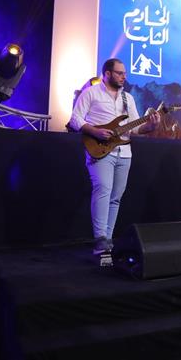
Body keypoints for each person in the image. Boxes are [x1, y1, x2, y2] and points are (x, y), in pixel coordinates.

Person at [69, 58, 160, 265]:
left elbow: (136, 128)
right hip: (100, 150)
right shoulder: (91, 93)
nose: (124, 77)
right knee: (103, 189)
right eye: (120, 73)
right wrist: (95, 131)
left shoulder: (128, 98)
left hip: (124, 152)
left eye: (125, 73)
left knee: (116, 197)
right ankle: (100, 239)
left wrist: (151, 126)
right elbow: (75, 119)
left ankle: (107, 242)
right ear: (107, 74)